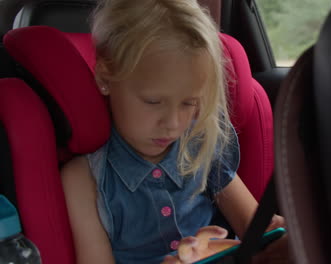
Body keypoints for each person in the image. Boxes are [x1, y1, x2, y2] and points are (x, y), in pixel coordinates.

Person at [60, 0, 284, 263]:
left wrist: (280, 239)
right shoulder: (84, 181)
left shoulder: (199, 142)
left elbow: (255, 226)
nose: (174, 124)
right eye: (154, 102)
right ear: (105, 78)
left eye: (189, 103)